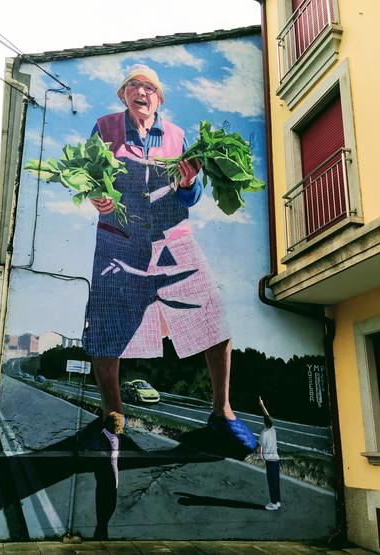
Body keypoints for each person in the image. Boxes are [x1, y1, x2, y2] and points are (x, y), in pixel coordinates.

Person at [84, 64, 256, 457]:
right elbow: (89, 174)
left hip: (172, 240)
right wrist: (97, 193)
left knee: (215, 320)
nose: (141, 92)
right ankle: (113, 414)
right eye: (133, 86)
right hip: (119, 241)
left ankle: (222, 411)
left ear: (158, 99)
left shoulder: (178, 137)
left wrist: (188, 183)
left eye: (148, 88)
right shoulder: (105, 128)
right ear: (124, 95)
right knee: (105, 330)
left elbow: (191, 199)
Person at [258, 396, 281, 511]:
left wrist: (260, 456)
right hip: (276, 459)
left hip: (269, 461)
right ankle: (278, 501)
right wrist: (262, 405)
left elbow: (260, 447)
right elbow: (267, 415)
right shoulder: (273, 429)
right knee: (276, 481)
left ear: (264, 423)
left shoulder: (263, 433)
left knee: (271, 482)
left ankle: (273, 503)